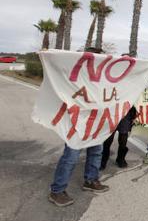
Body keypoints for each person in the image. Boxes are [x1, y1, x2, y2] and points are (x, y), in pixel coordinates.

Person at [48, 47, 109, 207]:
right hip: (77, 124)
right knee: (71, 157)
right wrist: (48, 55)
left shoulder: (105, 79)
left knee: (96, 152)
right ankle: (57, 191)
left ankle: (90, 180)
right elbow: (57, 69)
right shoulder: (73, 76)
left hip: (96, 123)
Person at [100, 52, 136, 170]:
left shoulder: (134, 77)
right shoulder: (111, 75)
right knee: (108, 138)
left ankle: (120, 159)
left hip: (126, 112)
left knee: (123, 137)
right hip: (112, 111)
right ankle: (103, 160)